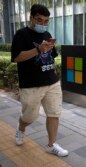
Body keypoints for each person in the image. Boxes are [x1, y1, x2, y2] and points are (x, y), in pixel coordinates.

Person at [11, 4, 68, 157]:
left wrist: (48, 48)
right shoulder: (21, 35)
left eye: (46, 21)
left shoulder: (47, 34)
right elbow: (17, 57)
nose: (43, 24)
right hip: (31, 85)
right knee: (30, 117)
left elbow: (52, 55)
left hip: (52, 81)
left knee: (54, 113)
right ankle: (21, 127)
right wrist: (38, 49)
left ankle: (51, 145)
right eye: (39, 20)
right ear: (31, 18)